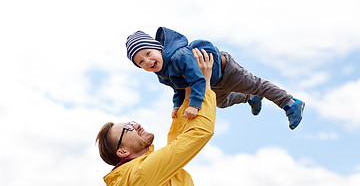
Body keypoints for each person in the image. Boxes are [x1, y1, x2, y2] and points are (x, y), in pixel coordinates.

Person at [96, 48, 215, 186]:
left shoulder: (145, 171)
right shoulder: (143, 172)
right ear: (123, 152)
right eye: (128, 128)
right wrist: (205, 84)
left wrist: (189, 92)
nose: (136, 126)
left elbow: (178, 141)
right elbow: (199, 133)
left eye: (132, 122)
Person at [126, 27, 305, 130]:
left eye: (148, 53)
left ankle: (289, 102)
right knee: (221, 102)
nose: (147, 61)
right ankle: (250, 98)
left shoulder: (179, 56)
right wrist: (176, 106)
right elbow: (178, 88)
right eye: (141, 62)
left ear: (158, 48)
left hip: (226, 70)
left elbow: (197, 81)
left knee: (256, 85)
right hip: (212, 83)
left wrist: (194, 106)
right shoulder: (162, 73)